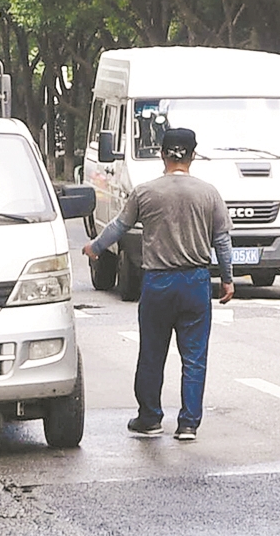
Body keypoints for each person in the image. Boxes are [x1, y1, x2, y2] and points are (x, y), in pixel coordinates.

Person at [83, 127, 233, 440]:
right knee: (194, 358)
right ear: (193, 155)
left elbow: (119, 226)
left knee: (152, 354)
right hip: (195, 282)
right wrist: (227, 279)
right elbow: (221, 239)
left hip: (158, 282)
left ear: (162, 154)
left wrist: (95, 247)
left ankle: (150, 417)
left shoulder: (145, 192)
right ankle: (188, 423)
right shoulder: (209, 193)